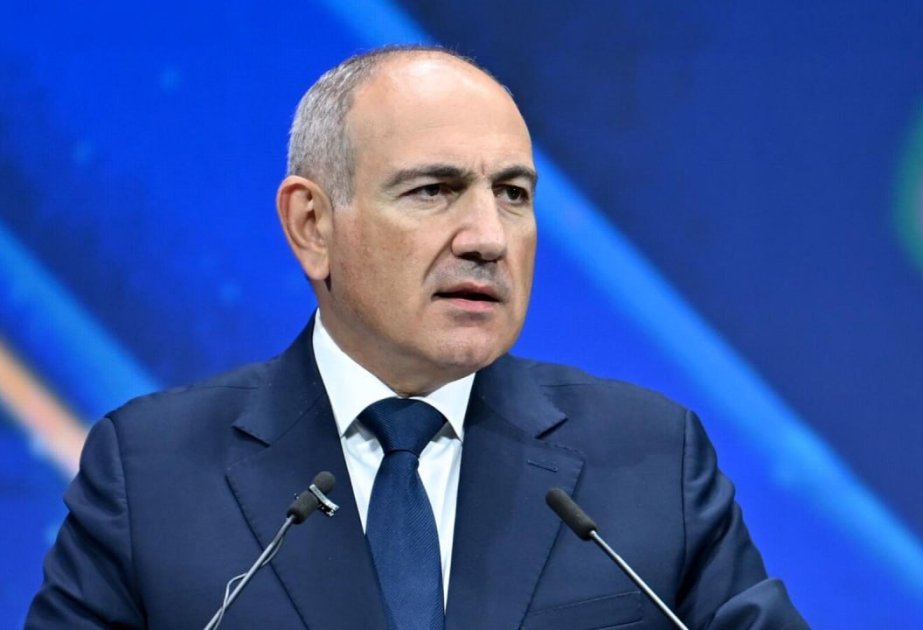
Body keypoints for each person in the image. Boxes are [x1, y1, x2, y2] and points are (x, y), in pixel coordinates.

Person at [26, 46, 808, 629]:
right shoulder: (150, 472)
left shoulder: (649, 457)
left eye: (513, 194)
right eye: (434, 190)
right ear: (311, 226)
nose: (487, 238)